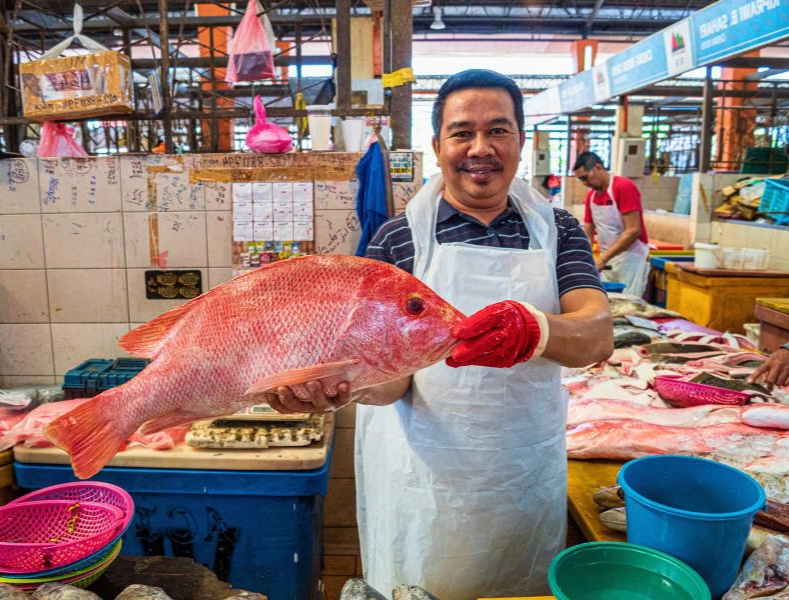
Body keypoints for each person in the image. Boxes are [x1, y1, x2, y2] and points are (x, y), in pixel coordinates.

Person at [266, 69, 613, 599]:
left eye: (499, 130)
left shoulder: (558, 228)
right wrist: (339, 388)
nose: (481, 148)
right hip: (424, 478)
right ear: (437, 146)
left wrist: (535, 328)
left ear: (522, 140)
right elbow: (389, 384)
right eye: (462, 132)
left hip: (520, 470)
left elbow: (597, 335)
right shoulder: (396, 239)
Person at [573, 151, 650, 297]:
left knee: (628, 304)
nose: (584, 183)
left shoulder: (623, 187)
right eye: (580, 180)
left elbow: (633, 230)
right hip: (607, 259)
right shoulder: (591, 195)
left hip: (631, 259)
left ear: (597, 168)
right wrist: (586, 259)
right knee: (607, 302)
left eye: (585, 177)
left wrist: (603, 259)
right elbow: (588, 231)